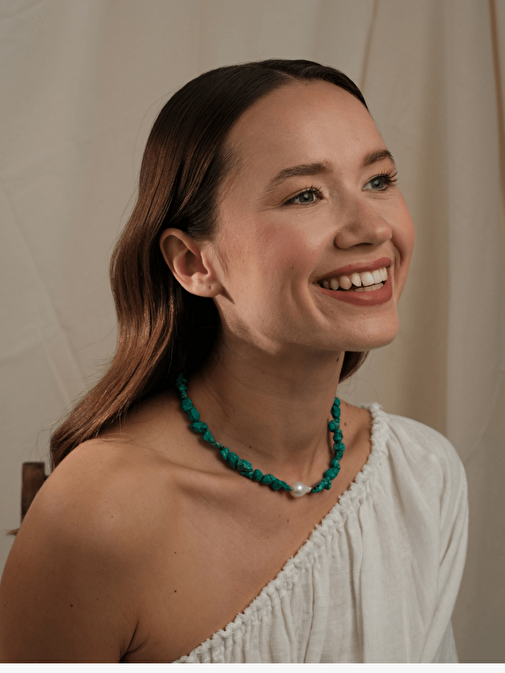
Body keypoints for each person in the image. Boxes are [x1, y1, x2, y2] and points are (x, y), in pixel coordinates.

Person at [0, 59, 467, 663]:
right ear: (194, 263)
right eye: (306, 194)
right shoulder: (99, 514)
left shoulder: (421, 476)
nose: (372, 227)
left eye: (378, 180)